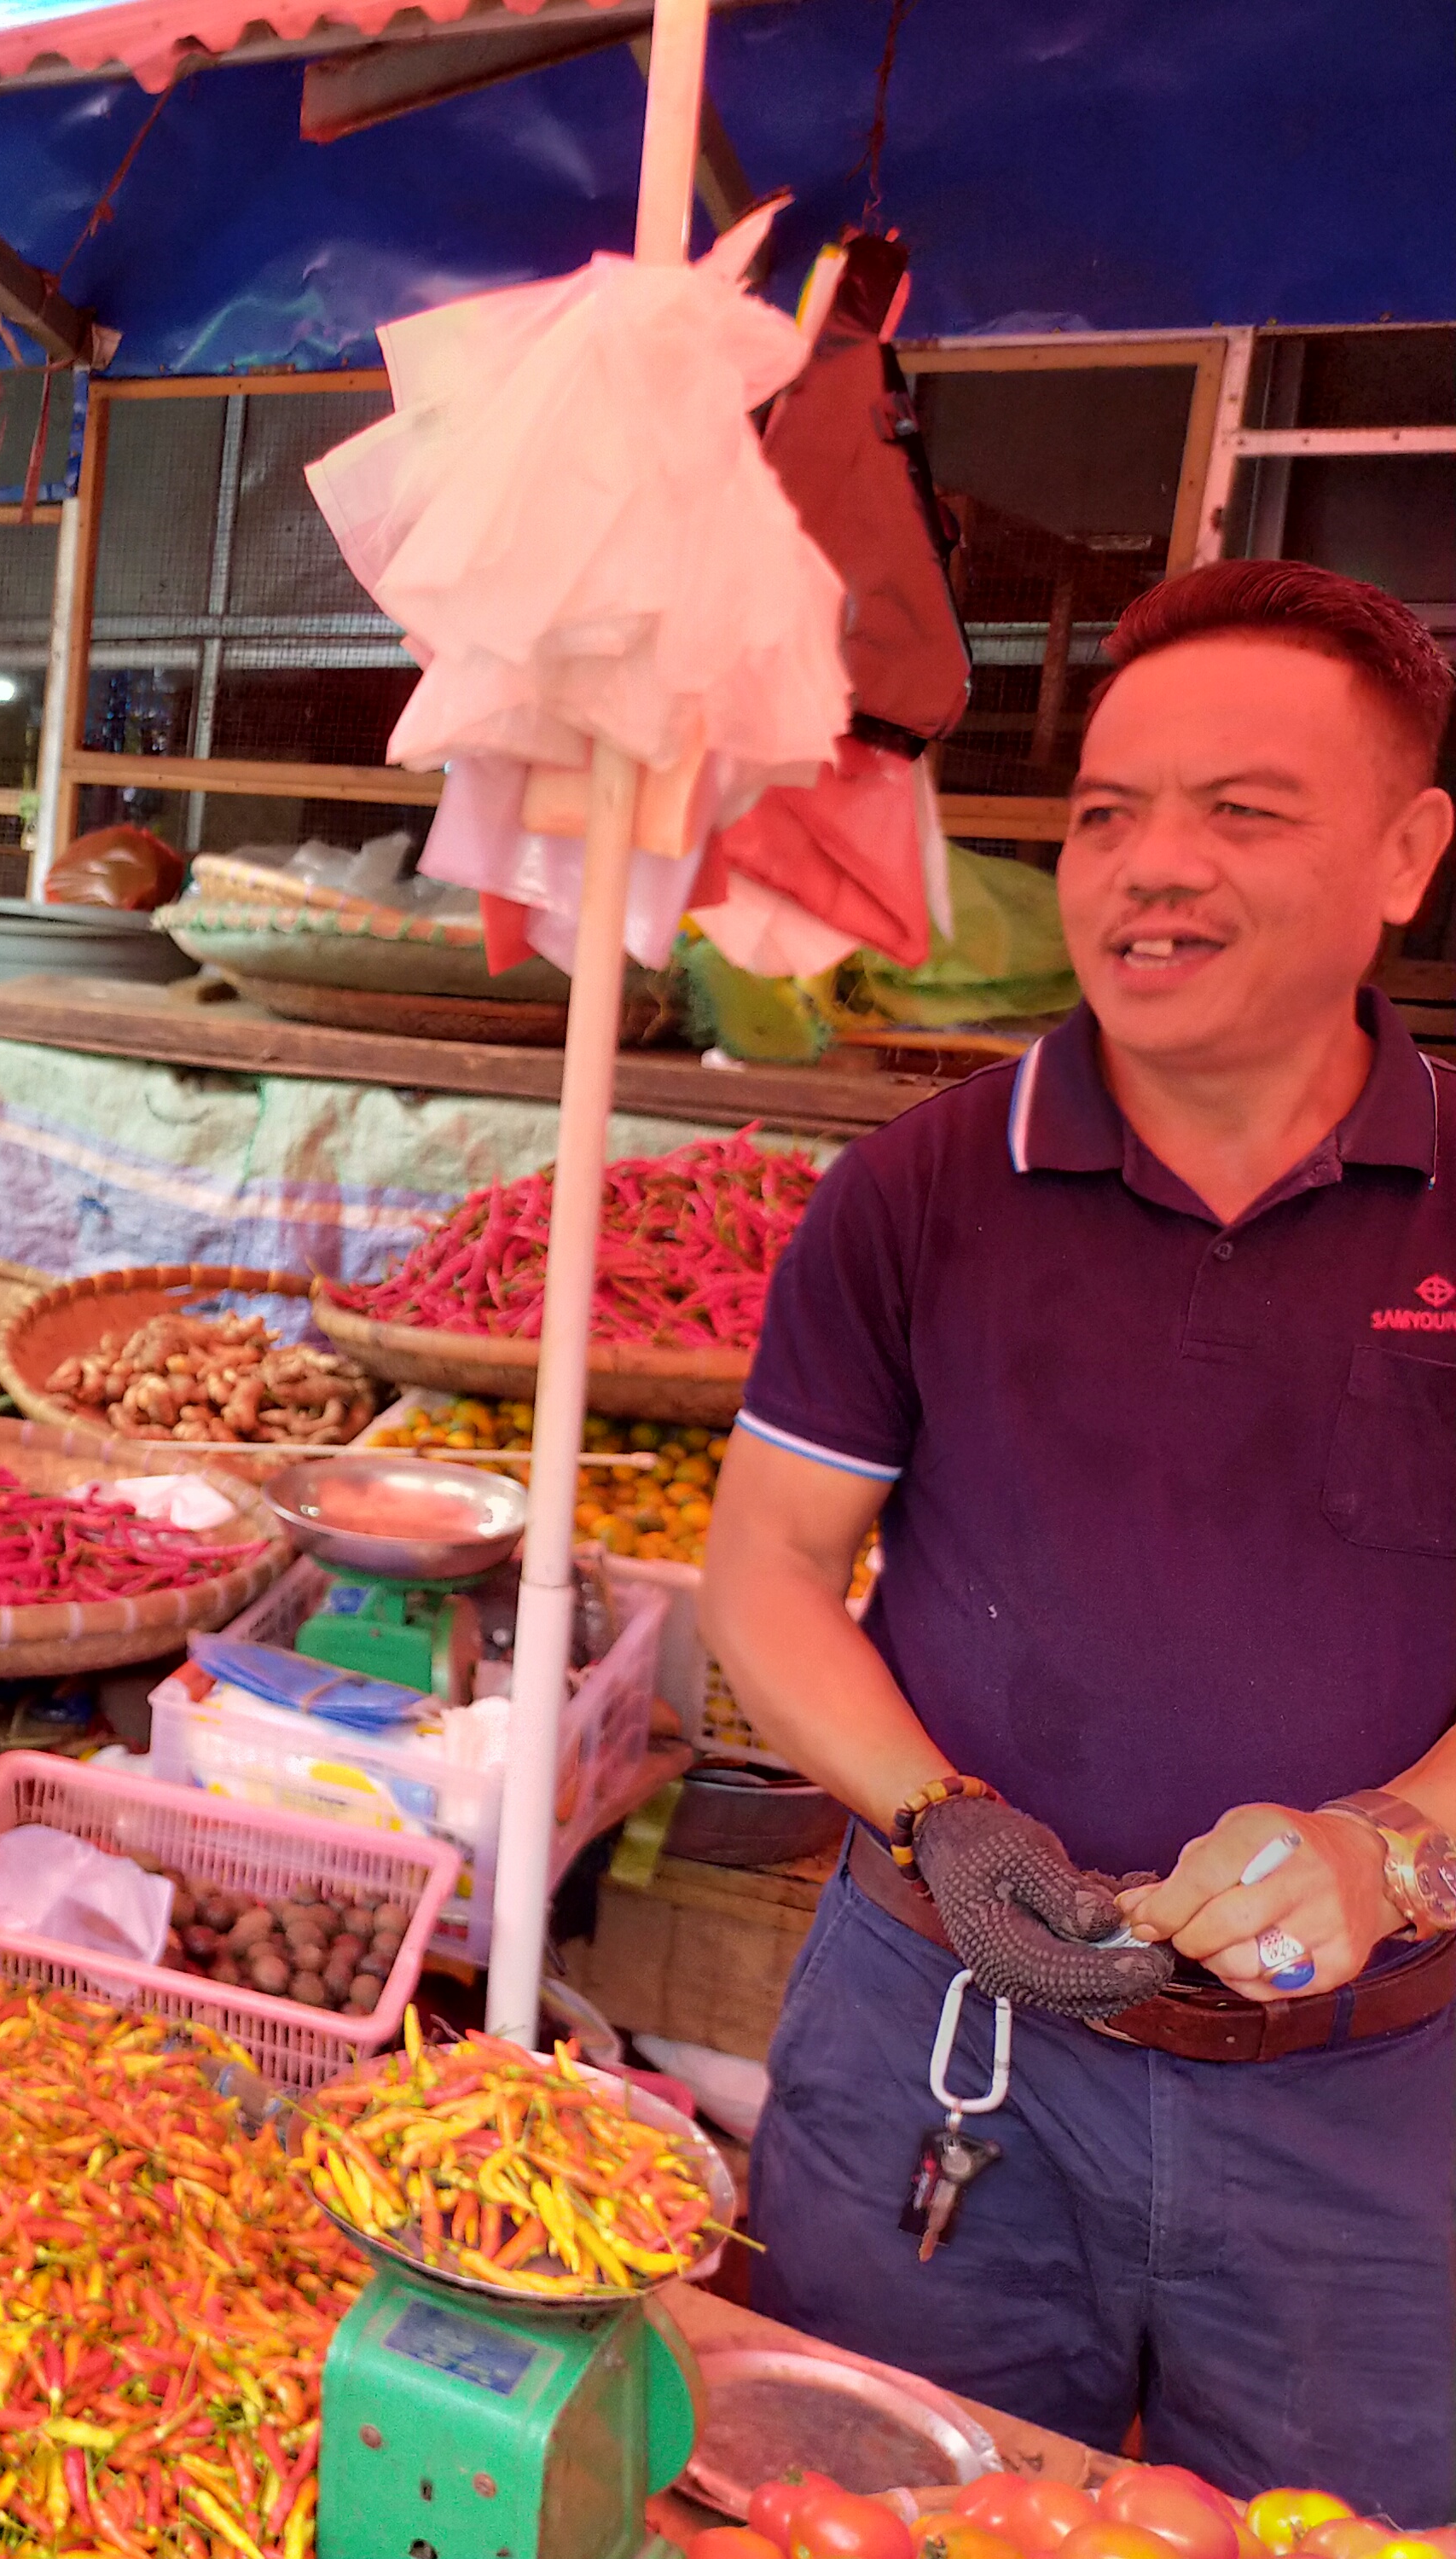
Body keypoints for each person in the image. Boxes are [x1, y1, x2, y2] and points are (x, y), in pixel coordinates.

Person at [705, 559, 1456, 2514]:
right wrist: (931, 1813)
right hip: (945, 2036)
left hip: (1368, 2098)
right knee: (847, 2502)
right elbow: (766, 1570)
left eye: (1240, 812)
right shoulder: (916, 1191)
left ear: (1404, 853)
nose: (1149, 868)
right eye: (1106, 814)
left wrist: (1392, 1845)